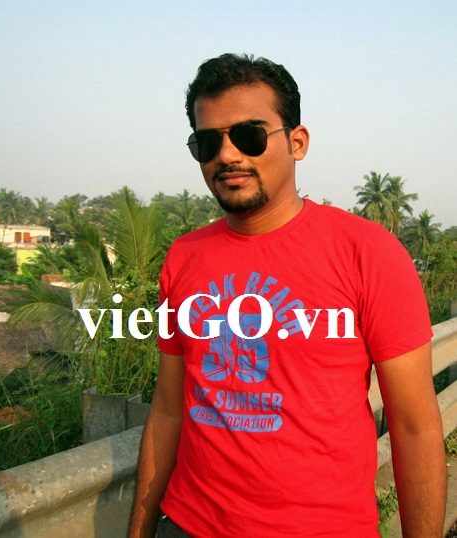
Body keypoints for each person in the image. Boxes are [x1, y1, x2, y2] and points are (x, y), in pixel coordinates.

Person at [129, 53, 446, 538]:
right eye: (208, 142)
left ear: (297, 142)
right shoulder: (184, 258)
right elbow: (169, 408)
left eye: (249, 136)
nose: (227, 155)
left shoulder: (367, 253)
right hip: (190, 523)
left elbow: (414, 427)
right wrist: (140, 531)